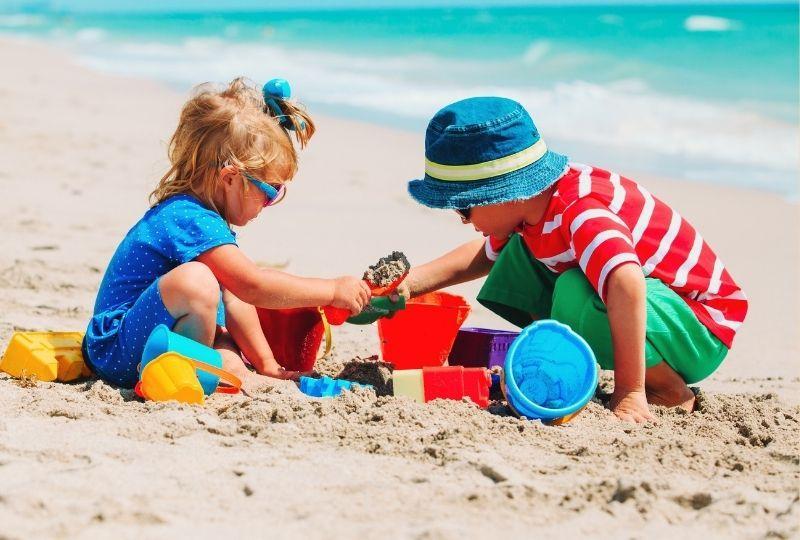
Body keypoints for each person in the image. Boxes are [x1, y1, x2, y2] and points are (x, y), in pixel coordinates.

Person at [399, 97, 747, 422]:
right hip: (656, 318)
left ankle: (665, 389)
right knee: (517, 257)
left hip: (699, 327)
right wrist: (407, 285)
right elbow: (481, 256)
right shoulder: (530, 211)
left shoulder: (579, 211)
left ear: (503, 193)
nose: (463, 219)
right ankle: (554, 356)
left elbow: (626, 282)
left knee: (573, 287)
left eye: (464, 206)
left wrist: (629, 391)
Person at [83, 78, 370, 391]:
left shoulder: (210, 220)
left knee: (233, 361)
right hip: (117, 352)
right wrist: (332, 290)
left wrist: (267, 365)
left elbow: (236, 298)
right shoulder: (187, 217)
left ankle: (225, 372)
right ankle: (187, 375)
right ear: (231, 178)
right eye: (270, 191)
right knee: (197, 281)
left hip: (157, 335)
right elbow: (252, 285)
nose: (270, 203)